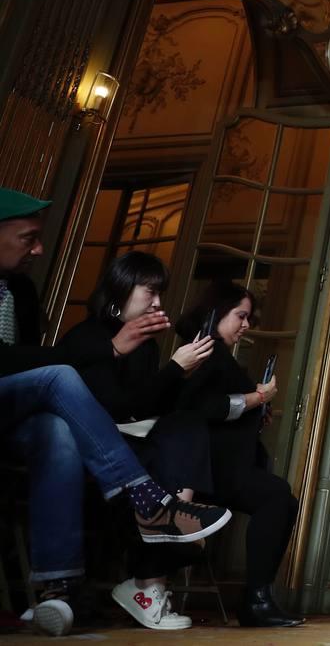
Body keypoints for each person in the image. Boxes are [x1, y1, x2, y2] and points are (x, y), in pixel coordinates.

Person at [0, 187, 231, 636]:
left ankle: (58, 591)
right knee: (62, 376)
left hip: (19, 416)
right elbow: (56, 366)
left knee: (59, 432)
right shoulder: (90, 337)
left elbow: (29, 358)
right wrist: (109, 350)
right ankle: (149, 508)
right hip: (100, 432)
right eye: (28, 237)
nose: (39, 249)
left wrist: (178, 370)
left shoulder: (23, 291)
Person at [57, 251, 218, 631]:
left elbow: (147, 406)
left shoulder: (145, 346)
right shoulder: (89, 337)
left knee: (187, 426)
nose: (159, 303)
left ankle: (174, 518)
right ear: (123, 288)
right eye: (151, 292)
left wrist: (180, 373)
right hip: (91, 448)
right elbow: (114, 407)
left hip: (134, 440)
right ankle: (153, 571)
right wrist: (175, 369)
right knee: (166, 453)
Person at [175, 281, 303, 628]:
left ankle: (257, 599)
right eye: (240, 316)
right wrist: (257, 399)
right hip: (209, 468)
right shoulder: (206, 351)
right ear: (216, 313)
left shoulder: (213, 353)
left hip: (225, 463)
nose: (246, 325)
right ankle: (255, 601)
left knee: (282, 499)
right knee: (277, 496)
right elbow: (205, 407)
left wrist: (254, 411)